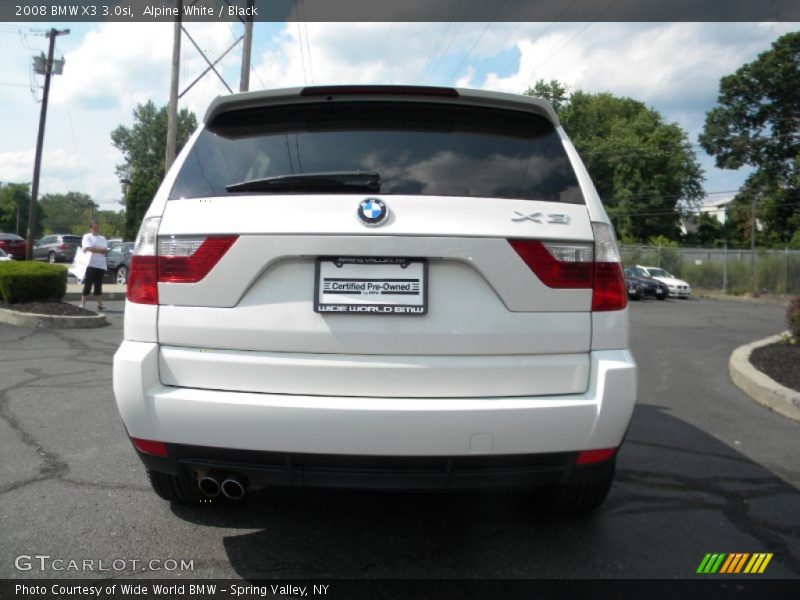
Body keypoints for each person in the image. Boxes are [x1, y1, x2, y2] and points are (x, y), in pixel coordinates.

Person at [80, 219, 109, 312]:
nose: (96, 229)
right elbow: (87, 247)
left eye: (97, 227)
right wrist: (96, 249)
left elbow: (105, 250)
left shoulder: (103, 238)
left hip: (101, 265)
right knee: (88, 284)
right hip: (90, 264)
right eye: (94, 227)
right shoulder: (87, 237)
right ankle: (82, 304)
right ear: (90, 228)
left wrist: (93, 248)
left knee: (98, 285)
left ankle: (100, 305)